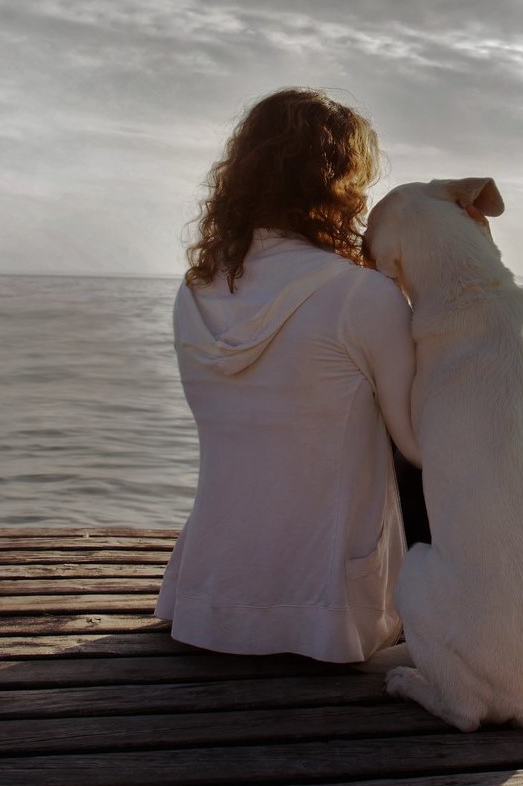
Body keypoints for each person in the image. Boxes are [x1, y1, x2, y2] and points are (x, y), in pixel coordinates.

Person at [155, 88, 419, 663]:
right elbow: (419, 445)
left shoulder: (194, 289)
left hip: (206, 603)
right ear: (339, 184)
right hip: (330, 615)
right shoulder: (361, 294)